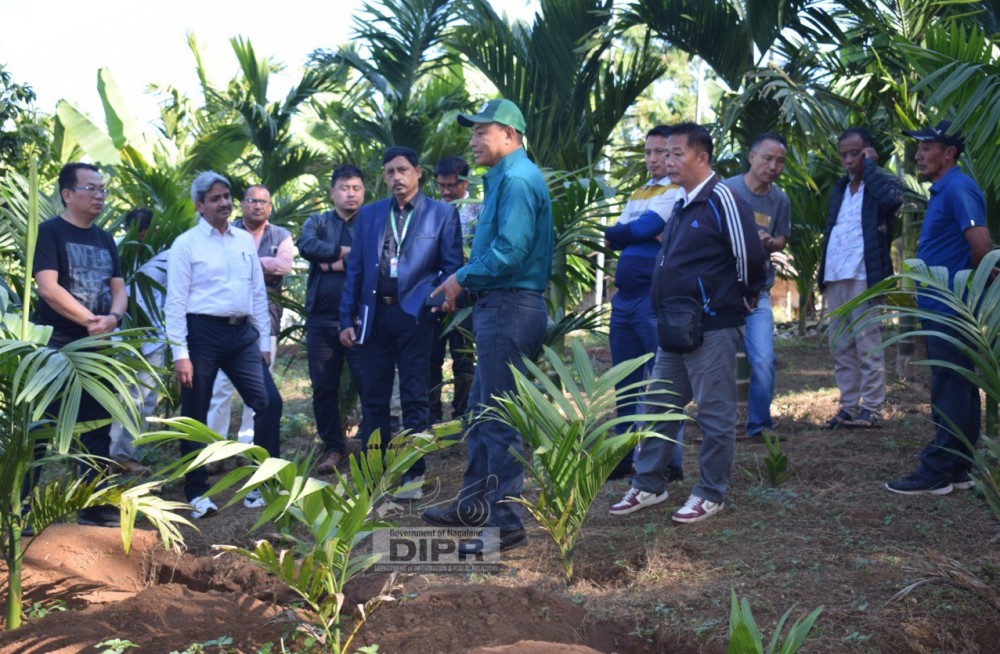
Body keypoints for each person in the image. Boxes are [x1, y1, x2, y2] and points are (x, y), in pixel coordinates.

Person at [609, 122, 766, 523]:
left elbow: (749, 257)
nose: (668, 160)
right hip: (674, 326)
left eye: (677, 153)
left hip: (712, 324)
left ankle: (710, 492)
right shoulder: (681, 201)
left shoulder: (722, 199)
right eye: (665, 153)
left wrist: (742, 300)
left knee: (714, 413)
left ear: (702, 156)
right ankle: (648, 485)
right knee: (661, 407)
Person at [423, 98, 554, 553]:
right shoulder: (503, 179)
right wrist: (467, 285)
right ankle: (473, 505)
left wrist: (462, 276)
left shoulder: (517, 180)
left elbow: (511, 252)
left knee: (498, 417)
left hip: (511, 306)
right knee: (481, 409)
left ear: (511, 136)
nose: (473, 140)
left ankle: (504, 524)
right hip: (498, 304)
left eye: (483, 131)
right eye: (472, 131)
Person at [339, 147, 462, 499]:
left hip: (416, 319)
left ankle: (414, 475)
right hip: (375, 318)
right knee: (374, 398)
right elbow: (357, 271)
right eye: (390, 172)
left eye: (403, 170)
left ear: (418, 173)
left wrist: (432, 305)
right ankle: (374, 476)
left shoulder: (441, 215)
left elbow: (451, 266)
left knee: (415, 396)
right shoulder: (371, 215)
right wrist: (347, 318)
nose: (397, 177)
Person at [165, 171, 283, 519]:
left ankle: (263, 483)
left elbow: (257, 292)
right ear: (199, 205)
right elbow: (175, 302)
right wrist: (180, 354)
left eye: (227, 196)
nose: (224, 203)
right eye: (215, 198)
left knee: (269, 403)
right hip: (202, 334)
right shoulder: (186, 244)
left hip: (242, 334)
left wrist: (262, 338)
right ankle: (197, 491)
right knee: (196, 412)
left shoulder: (244, 240)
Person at [886, 120, 989, 495]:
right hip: (944, 306)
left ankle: (939, 470)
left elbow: (982, 247)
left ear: (949, 153)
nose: (918, 155)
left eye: (927, 147)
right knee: (957, 386)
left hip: (952, 307)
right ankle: (958, 468)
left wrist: (978, 300)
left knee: (950, 386)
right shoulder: (944, 190)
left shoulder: (959, 188)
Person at [32, 162, 127, 528]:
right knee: (39, 428)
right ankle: (20, 508)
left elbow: (118, 289)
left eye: (102, 188)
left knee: (97, 429)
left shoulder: (105, 239)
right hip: (56, 347)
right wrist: (90, 319)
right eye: (91, 188)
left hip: (98, 347)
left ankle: (94, 506)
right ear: (67, 194)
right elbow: (48, 287)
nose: (99, 195)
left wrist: (113, 319)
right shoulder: (50, 232)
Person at [603, 125, 684, 480]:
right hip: (624, 300)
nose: (654, 159)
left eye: (661, 153)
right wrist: (634, 231)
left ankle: (671, 463)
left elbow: (631, 230)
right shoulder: (639, 192)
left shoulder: (678, 190)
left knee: (664, 382)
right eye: (649, 153)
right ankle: (623, 456)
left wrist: (633, 230)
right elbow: (616, 236)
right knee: (626, 381)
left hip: (655, 300)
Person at [817, 127, 903, 429]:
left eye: (856, 153)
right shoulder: (840, 188)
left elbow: (894, 200)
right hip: (835, 275)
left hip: (865, 275)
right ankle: (849, 406)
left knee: (868, 344)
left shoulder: (881, 184)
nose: (849, 160)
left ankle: (873, 408)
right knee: (840, 346)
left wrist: (870, 167)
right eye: (844, 154)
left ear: (869, 152)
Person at [207, 185, 292, 444]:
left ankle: (249, 445)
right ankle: (216, 446)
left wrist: (249, 261)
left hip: (268, 318)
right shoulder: (226, 232)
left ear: (270, 206)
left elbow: (284, 266)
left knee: (258, 389)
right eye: (252, 200)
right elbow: (220, 267)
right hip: (227, 322)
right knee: (220, 388)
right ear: (242, 204)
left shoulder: (281, 234)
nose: (258, 206)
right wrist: (267, 263)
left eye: (264, 202)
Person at [298, 164, 366, 474]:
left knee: (369, 384)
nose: (350, 194)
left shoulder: (371, 221)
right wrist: (344, 253)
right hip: (321, 321)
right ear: (332, 192)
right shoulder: (318, 221)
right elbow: (307, 246)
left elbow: (374, 254)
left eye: (356, 188)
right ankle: (334, 447)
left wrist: (331, 264)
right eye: (344, 188)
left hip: (361, 318)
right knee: (324, 387)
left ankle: (372, 446)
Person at [723, 132, 792, 439]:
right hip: (722, 291)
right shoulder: (726, 190)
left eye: (780, 161)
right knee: (717, 364)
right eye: (767, 158)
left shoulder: (780, 199)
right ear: (751, 157)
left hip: (758, 291)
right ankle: (718, 427)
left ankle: (759, 426)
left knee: (763, 361)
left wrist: (768, 242)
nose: (773, 166)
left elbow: (781, 240)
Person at [109, 208, 166, 475]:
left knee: (146, 400)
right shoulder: (117, 252)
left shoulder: (165, 254)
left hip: (154, 337)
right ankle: (109, 458)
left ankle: (126, 456)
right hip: (123, 337)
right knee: (122, 397)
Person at [427, 155, 480, 424]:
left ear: (464, 182)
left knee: (463, 359)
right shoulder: (431, 211)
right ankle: (432, 416)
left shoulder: (479, 210)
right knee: (431, 359)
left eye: (451, 186)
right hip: (435, 297)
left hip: (466, 299)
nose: (446, 192)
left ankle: (462, 415)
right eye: (441, 186)